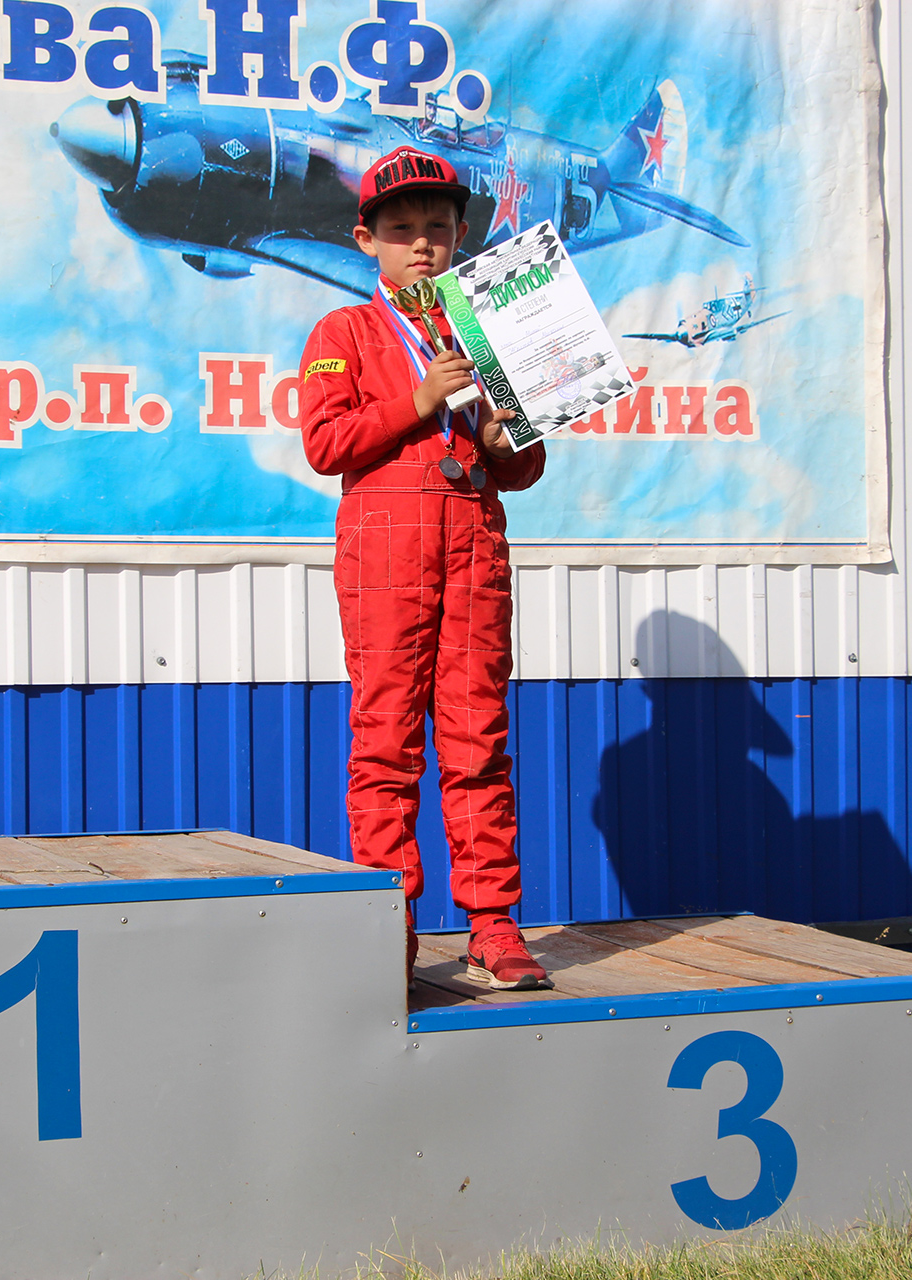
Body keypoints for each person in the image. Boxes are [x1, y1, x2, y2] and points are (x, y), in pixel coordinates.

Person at [298, 145, 552, 993]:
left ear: (460, 236)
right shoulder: (345, 333)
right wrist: (421, 398)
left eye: (437, 228)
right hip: (385, 551)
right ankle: (390, 932)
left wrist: (500, 435)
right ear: (365, 239)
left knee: (479, 738)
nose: (420, 245)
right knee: (386, 743)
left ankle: (493, 924)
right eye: (401, 229)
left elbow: (525, 466)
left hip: (473, 543)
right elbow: (326, 443)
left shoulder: (488, 335)